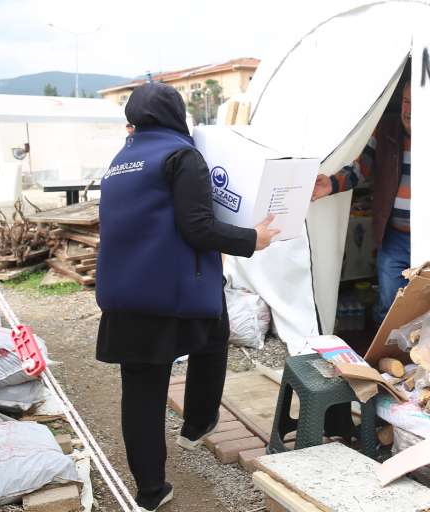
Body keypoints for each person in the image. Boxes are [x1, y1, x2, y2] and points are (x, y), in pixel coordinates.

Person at [95, 82, 279, 511]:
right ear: (178, 116)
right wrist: (255, 237)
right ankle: (198, 422)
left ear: (136, 120)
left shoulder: (121, 160)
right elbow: (198, 227)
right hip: (170, 293)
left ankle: (151, 491)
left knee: (141, 392)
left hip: (123, 296)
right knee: (214, 335)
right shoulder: (182, 156)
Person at [312, 80, 411, 327]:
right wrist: (331, 184)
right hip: (395, 238)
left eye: (419, 105)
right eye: (407, 102)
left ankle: (416, 362)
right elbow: (360, 167)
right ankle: (382, 357)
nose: (409, 111)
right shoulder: (387, 129)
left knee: (426, 307)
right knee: (389, 302)